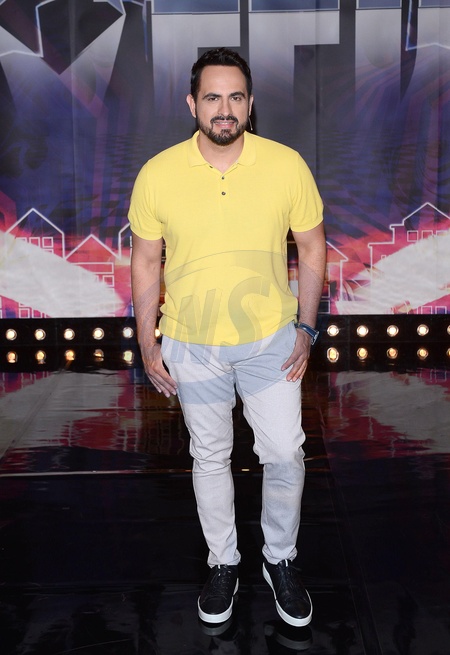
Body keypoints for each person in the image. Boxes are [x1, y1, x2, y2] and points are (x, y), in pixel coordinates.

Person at [128, 48, 326, 627]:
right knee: (210, 456)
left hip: (270, 340)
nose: (224, 108)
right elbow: (145, 262)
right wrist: (147, 343)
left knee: (284, 452)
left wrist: (306, 328)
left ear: (250, 103)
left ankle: (279, 558)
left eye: (235, 96)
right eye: (212, 97)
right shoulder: (158, 172)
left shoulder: (285, 164)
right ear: (192, 103)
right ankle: (223, 562)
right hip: (191, 344)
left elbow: (313, 246)